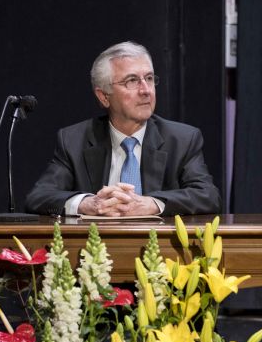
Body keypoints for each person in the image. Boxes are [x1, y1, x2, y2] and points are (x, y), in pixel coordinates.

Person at [25, 41, 221, 217]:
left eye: (150, 78)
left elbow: (208, 195)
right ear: (104, 97)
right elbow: (39, 197)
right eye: (132, 81)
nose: (146, 90)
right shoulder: (74, 140)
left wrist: (152, 203)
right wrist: (87, 204)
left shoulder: (182, 139)